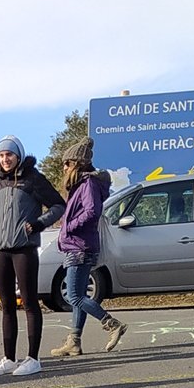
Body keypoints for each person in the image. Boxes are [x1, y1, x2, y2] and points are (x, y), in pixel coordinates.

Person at [0, 136, 65, 368]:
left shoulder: (33, 179)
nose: (5, 159)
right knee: (6, 305)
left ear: (19, 156)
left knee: (29, 303)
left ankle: (33, 358)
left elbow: (58, 205)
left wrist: (38, 223)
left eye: (10, 155)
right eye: (2, 155)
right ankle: (8, 358)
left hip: (24, 249)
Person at [49, 142, 127, 369]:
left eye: (67, 163)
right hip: (80, 245)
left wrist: (70, 226)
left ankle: (111, 324)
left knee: (73, 296)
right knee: (79, 295)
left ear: (77, 164)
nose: (63, 167)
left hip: (80, 246)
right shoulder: (82, 185)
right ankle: (74, 342)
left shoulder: (88, 183)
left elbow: (93, 211)